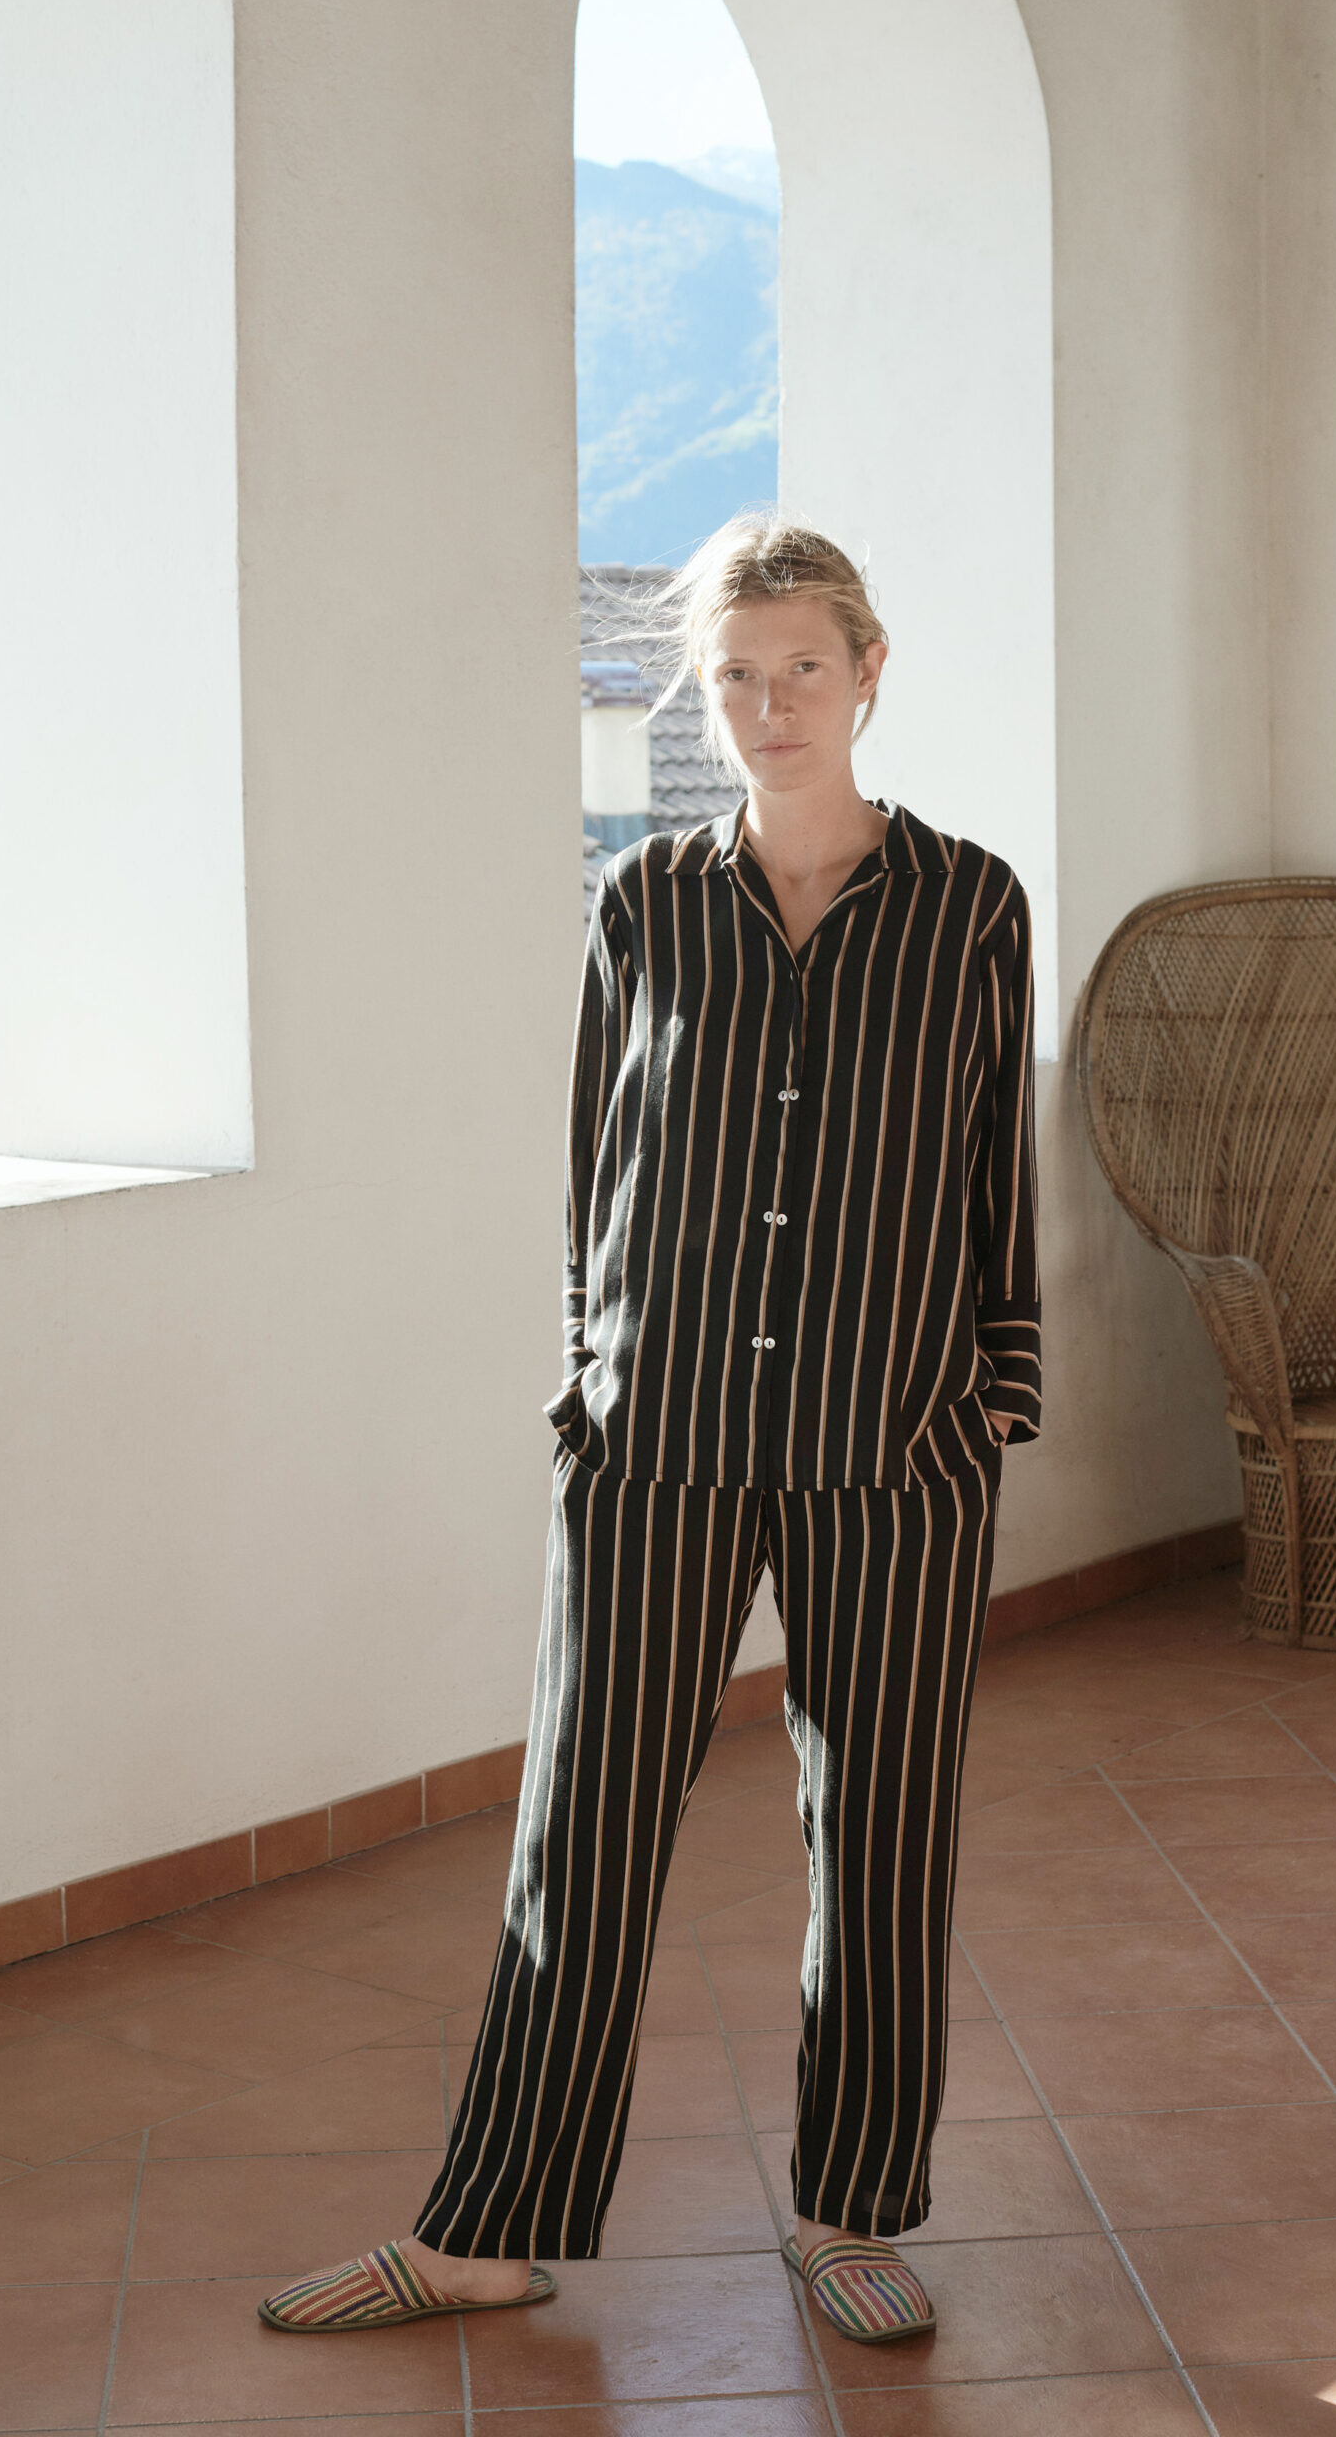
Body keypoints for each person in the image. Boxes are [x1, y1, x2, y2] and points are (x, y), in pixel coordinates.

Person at [260, 515, 1040, 2347]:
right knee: (581, 1828)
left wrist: (994, 1389)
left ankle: (852, 2212)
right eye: (736, 675)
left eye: (802, 668)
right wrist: (584, 1380)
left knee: (882, 1832)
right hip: (655, 1434)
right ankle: (488, 2227)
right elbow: (591, 1170)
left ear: (866, 673)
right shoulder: (643, 900)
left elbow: (989, 1162)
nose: (769, 705)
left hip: (895, 1442)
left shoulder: (973, 904)